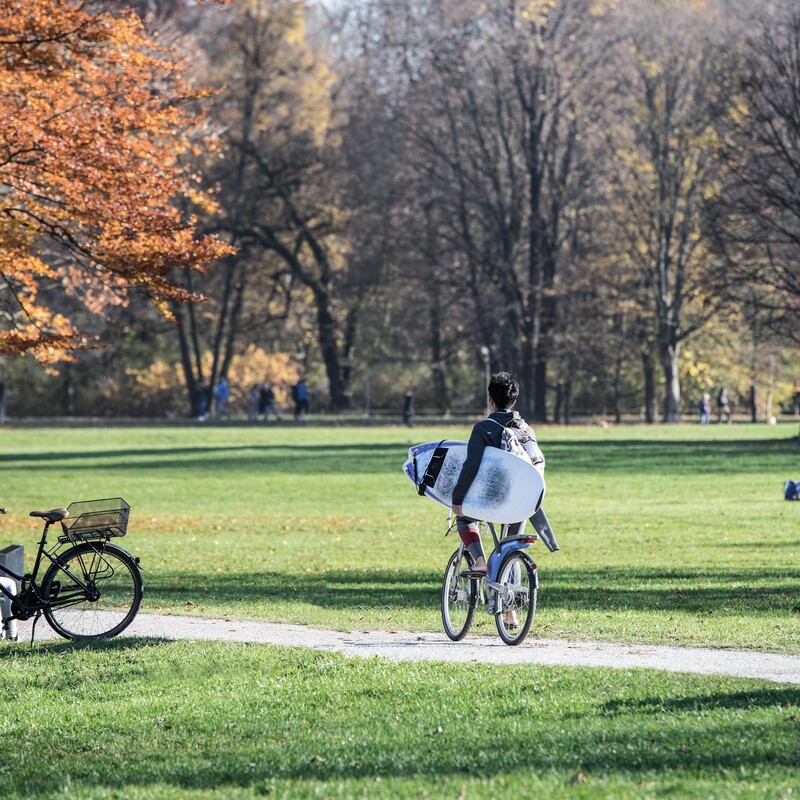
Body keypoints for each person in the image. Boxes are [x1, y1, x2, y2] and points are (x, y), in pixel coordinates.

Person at [450, 372, 559, 602]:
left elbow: (471, 465)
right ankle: (510, 613)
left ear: (490, 399)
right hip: (525, 501)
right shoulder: (527, 430)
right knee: (509, 548)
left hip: (494, 501)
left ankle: (480, 562)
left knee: (464, 518)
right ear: (514, 401)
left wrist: (458, 499)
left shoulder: (483, 428)